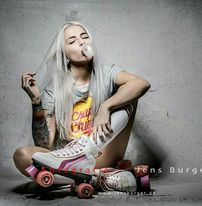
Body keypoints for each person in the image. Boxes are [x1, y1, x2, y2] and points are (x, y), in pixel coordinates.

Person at [13, 21, 150, 192]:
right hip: (66, 162)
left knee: (129, 92)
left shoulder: (107, 73)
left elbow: (142, 83)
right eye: (72, 41)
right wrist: (36, 102)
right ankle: (99, 178)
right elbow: (45, 144)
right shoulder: (52, 90)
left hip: (100, 154)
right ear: (64, 54)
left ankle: (82, 160)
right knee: (22, 156)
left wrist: (105, 107)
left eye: (84, 37)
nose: (81, 42)